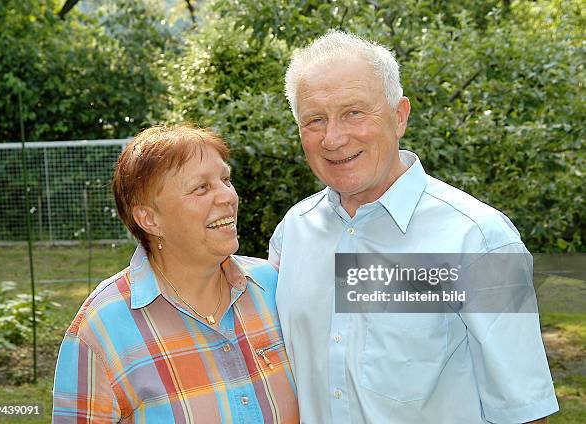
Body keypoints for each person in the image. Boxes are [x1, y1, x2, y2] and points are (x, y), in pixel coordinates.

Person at [269, 30, 559, 423]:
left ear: (399, 115)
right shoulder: (293, 233)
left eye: (354, 112)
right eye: (314, 120)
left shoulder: (479, 240)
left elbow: (524, 412)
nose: (333, 138)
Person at [53, 125, 298, 423]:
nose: (228, 197)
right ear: (149, 218)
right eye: (201, 188)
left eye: (225, 179)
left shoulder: (272, 286)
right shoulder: (101, 328)